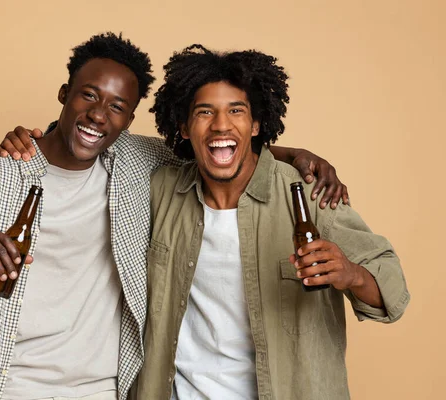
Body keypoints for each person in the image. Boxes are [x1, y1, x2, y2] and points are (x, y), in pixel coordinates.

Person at [0, 33, 347, 400]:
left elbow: (213, 149)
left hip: (105, 390)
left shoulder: (137, 165)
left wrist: (290, 154)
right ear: (64, 93)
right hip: (8, 387)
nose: (100, 115)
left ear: (129, 120)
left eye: (118, 107)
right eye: (89, 96)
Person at [128, 45, 410, 400]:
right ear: (183, 127)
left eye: (236, 111)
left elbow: (393, 289)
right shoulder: (161, 190)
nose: (220, 124)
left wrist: (350, 273)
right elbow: (98, 141)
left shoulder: (308, 193)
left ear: (257, 123)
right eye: (204, 112)